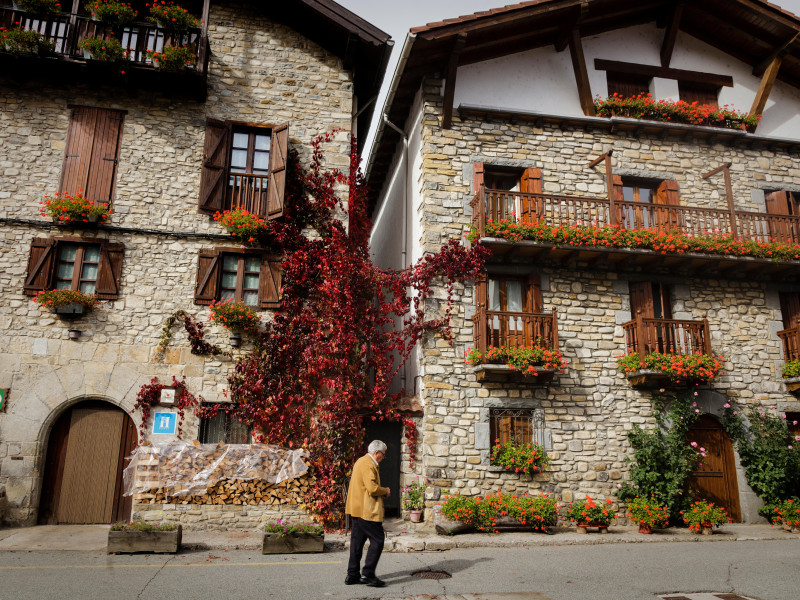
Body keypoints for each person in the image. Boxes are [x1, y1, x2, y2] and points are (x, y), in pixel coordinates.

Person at [344, 439, 390, 587]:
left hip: (357, 509)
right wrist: (385, 490)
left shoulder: (361, 461)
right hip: (367, 510)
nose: (384, 457)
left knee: (357, 544)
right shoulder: (369, 464)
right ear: (377, 453)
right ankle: (368, 574)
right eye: (383, 454)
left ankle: (352, 575)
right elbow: (372, 488)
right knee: (378, 540)